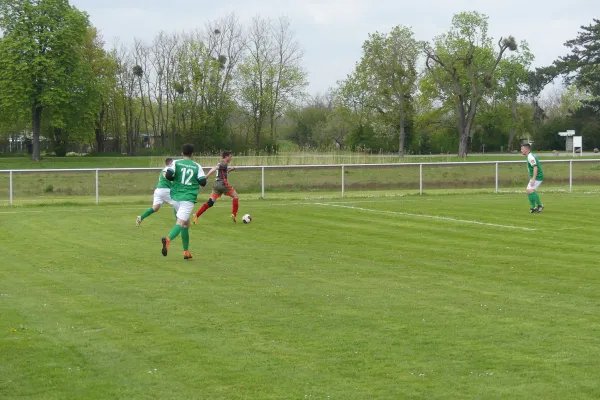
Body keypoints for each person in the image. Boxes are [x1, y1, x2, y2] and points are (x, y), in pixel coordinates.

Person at [161, 144, 207, 259]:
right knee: (180, 223)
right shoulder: (197, 166)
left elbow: (169, 175)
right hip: (188, 199)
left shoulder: (176, 163)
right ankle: (168, 240)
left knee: (186, 224)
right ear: (192, 154)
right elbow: (203, 182)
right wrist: (196, 179)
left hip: (176, 198)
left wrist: (175, 178)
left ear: (182, 153)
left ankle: (186, 251)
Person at [192, 151, 239, 224]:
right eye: (230, 157)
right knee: (235, 196)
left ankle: (196, 215)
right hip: (222, 184)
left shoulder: (222, 164)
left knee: (210, 202)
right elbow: (214, 168)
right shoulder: (224, 163)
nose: (231, 158)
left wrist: (230, 170)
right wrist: (207, 176)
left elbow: (223, 173)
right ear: (226, 157)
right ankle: (234, 214)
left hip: (216, 185)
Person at [136, 158, 174, 227]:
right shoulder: (167, 169)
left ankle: (141, 217)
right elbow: (167, 176)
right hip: (164, 190)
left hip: (158, 190)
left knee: (155, 208)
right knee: (177, 203)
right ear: (170, 163)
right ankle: (180, 222)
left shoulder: (167, 169)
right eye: (173, 162)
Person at [521, 143, 544, 213]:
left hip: (537, 177)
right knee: (528, 191)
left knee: (530, 190)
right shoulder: (529, 156)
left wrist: (533, 179)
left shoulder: (530, 157)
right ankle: (533, 207)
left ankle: (539, 205)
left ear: (526, 149)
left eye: (522, 149)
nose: (521, 150)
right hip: (535, 176)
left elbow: (535, 167)